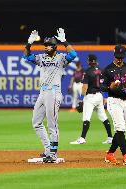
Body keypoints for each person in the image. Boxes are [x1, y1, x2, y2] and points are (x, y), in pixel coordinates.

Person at [23, 28, 77, 163]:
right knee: (36, 122)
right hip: (42, 92)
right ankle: (48, 150)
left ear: (54, 46)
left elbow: (73, 54)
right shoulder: (41, 58)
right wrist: (29, 43)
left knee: (52, 124)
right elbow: (26, 56)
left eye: (48, 45)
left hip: (53, 92)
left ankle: (53, 154)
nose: (46, 47)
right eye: (45, 45)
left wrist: (64, 41)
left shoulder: (61, 58)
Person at [101, 45, 126, 166]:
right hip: (114, 101)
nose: (119, 59)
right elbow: (102, 86)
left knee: (121, 130)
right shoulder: (107, 69)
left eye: (121, 57)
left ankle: (109, 154)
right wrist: (110, 87)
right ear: (114, 55)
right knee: (121, 128)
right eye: (117, 57)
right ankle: (125, 156)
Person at [70, 54, 113, 145]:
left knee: (86, 118)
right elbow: (104, 84)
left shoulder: (87, 72)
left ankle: (82, 138)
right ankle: (110, 137)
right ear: (96, 61)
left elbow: (85, 87)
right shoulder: (101, 71)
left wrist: (81, 99)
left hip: (90, 97)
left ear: (88, 61)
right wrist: (105, 96)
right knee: (103, 117)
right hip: (99, 96)